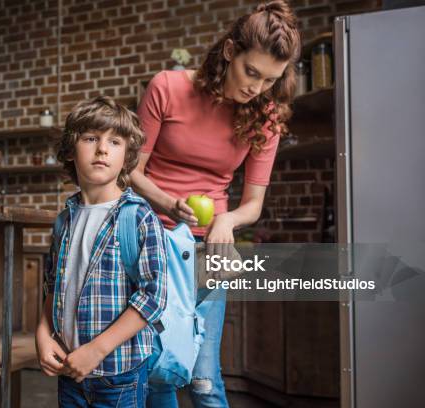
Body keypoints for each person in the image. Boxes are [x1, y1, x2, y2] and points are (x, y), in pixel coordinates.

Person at [131, 1, 301, 406]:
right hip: (151, 240)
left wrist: (226, 219)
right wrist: (169, 204)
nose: (256, 89)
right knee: (159, 371)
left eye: (269, 80)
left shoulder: (267, 115)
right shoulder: (167, 87)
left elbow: (253, 204)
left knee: (204, 378)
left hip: (209, 248)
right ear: (229, 52)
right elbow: (130, 172)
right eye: (251, 72)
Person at [35, 95, 168, 407]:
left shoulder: (138, 216)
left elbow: (154, 297)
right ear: (70, 149)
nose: (102, 149)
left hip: (118, 375)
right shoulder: (65, 219)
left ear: (128, 155)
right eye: (91, 138)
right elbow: (53, 285)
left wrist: (96, 350)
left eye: (115, 141)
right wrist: (43, 333)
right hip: (70, 370)